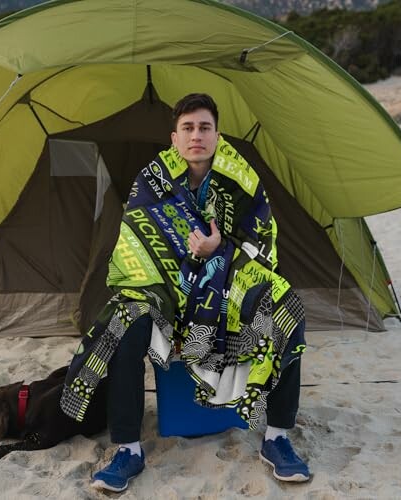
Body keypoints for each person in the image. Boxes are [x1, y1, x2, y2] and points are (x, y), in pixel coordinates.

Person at [61, 93, 310, 492]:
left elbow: (262, 244)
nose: (197, 135)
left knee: (285, 310)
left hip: (227, 282)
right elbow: (135, 240)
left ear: (217, 134)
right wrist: (178, 268)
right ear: (174, 138)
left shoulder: (241, 179)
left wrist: (219, 251)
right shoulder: (153, 177)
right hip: (162, 285)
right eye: (188, 128)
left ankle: (277, 438)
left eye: (204, 127)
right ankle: (127, 449)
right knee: (126, 321)